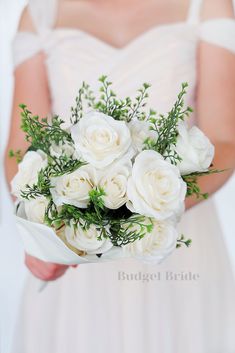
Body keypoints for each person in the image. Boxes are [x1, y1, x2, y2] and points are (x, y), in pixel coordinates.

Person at [4, 0, 235, 352]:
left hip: (175, 245)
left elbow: (224, 142)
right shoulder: (40, 13)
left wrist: (145, 210)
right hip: (77, 247)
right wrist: (43, 231)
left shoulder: (206, 6)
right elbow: (20, 150)